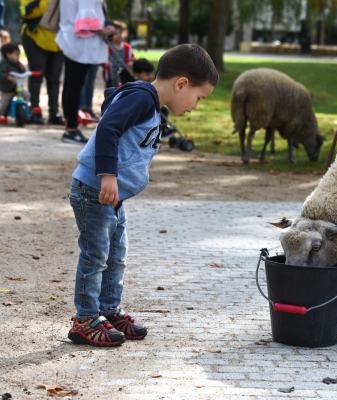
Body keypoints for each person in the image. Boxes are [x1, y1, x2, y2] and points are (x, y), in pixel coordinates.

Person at [67, 44, 218, 347]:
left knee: (116, 256)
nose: (195, 106)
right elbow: (108, 126)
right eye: (198, 98)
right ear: (181, 84)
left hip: (112, 196)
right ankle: (85, 319)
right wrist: (108, 174)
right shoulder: (141, 98)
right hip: (96, 190)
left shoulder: (146, 102)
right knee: (96, 255)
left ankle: (108, 311)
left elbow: (114, 112)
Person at [55, 0, 115, 144]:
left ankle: (69, 126)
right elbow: (86, 20)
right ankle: (71, 130)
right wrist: (105, 30)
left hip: (71, 39)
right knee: (75, 86)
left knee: (70, 85)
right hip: (83, 44)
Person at [20, 0, 65, 125]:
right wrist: (49, 4)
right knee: (36, 76)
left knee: (54, 79)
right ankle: (35, 111)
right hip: (35, 37)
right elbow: (25, 13)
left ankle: (54, 113)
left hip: (58, 41)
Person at [0, 44, 31, 124]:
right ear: (8, 55)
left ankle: (26, 111)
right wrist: (7, 77)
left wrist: (22, 69)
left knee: (27, 95)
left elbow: (22, 73)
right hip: (7, 89)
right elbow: (1, 74)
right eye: (16, 55)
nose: (18, 57)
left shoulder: (17, 64)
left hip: (17, 87)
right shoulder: (4, 65)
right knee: (3, 104)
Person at [103, 20, 134, 88]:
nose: (119, 35)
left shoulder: (128, 47)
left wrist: (131, 63)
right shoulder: (108, 47)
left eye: (121, 32)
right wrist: (106, 64)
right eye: (115, 33)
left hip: (124, 76)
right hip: (111, 76)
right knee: (110, 92)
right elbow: (103, 59)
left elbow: (132, 58)